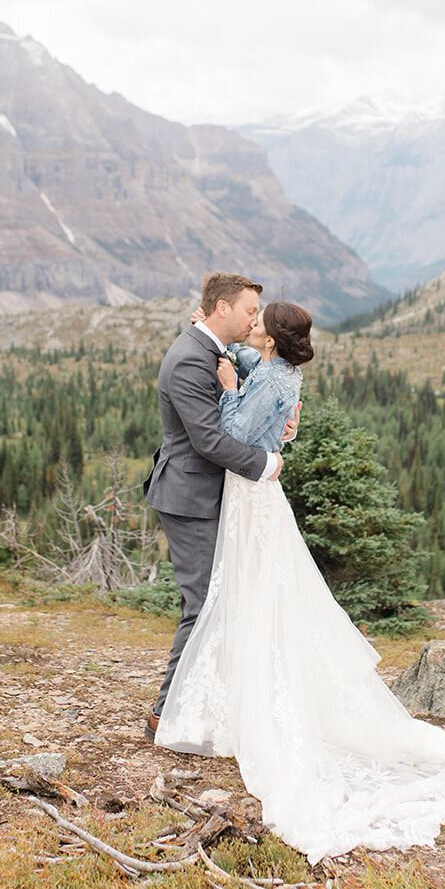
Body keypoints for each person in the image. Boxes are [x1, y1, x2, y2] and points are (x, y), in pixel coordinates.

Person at [152, 295, 445, 865]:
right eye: (247, 312)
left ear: (271, 339)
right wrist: (247, 382)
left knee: (239, 598)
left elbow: (236, 430)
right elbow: (260, 384)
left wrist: (233, 397)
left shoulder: (270, 377)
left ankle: (229, 705)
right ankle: (221, 699)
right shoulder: (274, 369)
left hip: (252, 493)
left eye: (259, 321)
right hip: (248, 495)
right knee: (239, 597)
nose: (252, 324)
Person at [143, 273, 299, 739]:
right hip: (190, 496)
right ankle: (165, 713)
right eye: (251, 310)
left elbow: (259, 385)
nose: (256, 319)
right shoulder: (191, 360)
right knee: (204, 602)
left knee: (220, 599)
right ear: (222, 309)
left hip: (211, 494)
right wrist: (267, 463)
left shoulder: (215, 349)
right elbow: (209, 440)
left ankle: (207, 706)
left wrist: (280, 421)